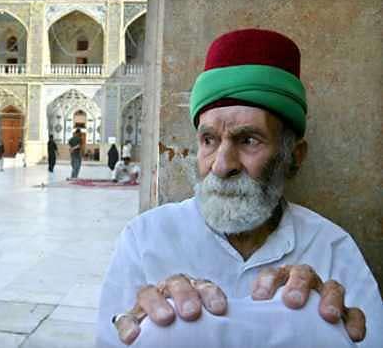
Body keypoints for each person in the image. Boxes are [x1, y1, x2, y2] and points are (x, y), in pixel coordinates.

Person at [96, 29, 382, 348]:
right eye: (209, 140)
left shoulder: (332, 248)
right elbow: (113, 336)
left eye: (248, 141)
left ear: (293, 157)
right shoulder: (146, 238)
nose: (221, 165)